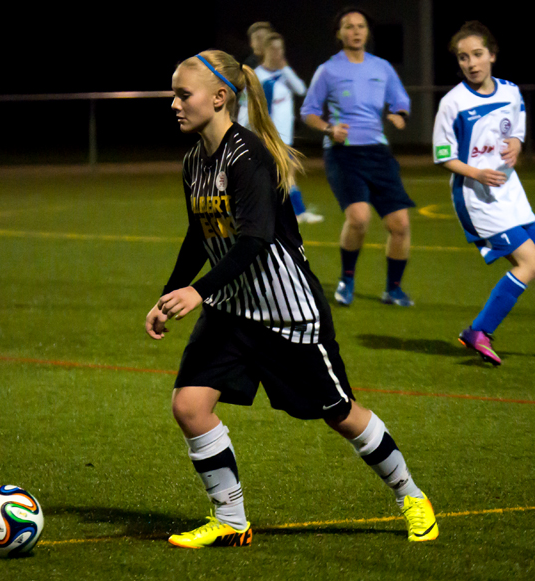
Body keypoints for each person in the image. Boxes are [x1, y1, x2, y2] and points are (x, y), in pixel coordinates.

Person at [144, 49, 438, 548]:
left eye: (182, 93)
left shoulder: (249, 157)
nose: (174, 103)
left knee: (340, 412)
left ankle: (411, 494)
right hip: (233, 309)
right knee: (191, 406)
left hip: (287, 314)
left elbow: (254, 241)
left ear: (219, 98)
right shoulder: (195, 160)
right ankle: (232, 521)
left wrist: (197, 290)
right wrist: (171, 293)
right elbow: (200, 235)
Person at [432, 21, 535, 366]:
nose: (471, 63)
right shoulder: (453, 103)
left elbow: (517, 124)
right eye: (463, 57)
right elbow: (443, 156)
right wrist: (477, 172)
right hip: (476, 199)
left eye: (477, 54)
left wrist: (517, 144)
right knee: (529, 262)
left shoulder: (510, 91)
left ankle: (479, 331)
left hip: (511, 192)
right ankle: (478, 332)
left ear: (492, 55)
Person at [300, 7, 416, 307]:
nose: (355, 31)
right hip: (343, 154)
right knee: (359, 218)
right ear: (339, 34)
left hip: (377, 152)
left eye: (361, 26)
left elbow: (400, 99)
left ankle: (393, 289)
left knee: (400, 225)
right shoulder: (328, 70)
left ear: (367, 32)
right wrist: (329, 128)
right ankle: (346, 280)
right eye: (348, 26)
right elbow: (308, 111)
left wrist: (399, 114)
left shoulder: (382, 67)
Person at [238, 31, 323, 224]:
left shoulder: (283, 75)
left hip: (285, 138)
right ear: (266, 50)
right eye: (274, 49)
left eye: (280, 49)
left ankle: (294, 213)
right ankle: (295, 213)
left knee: (284, 175)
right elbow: (245, 107)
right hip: (265, 137)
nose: (278, 53)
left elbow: (301, 89)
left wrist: (286, 70)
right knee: (276, 176)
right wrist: (241, 132)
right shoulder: (255, 76)